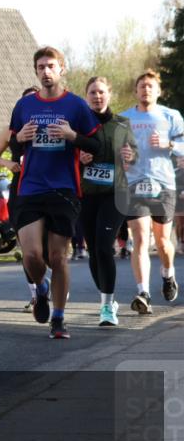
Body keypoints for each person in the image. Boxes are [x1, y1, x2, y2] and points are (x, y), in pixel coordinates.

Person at [8, 46, 100, 339]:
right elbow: (13, 146)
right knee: (33, 255)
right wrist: (20, 139)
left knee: (58, 257)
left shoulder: (75, 106)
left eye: (51, 66)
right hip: (30, 188)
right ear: (35, 71)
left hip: (64, 189)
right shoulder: (24, 106)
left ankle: (58, 319)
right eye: (41, 67)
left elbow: (97, 146)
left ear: (62, 69)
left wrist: (74, 137)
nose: (46, 72)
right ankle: (41, 288)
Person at [120, 69, 184, 314]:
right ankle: (143, 292)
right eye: (142, 86)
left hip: (163, 184)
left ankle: (168, 275)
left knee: (163, 241)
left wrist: (169, 144)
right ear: (135, 91)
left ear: (158, 91)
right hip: (135, 184)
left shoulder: (171, 116)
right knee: (140, 237)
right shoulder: (123, 118)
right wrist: (121, 154)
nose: (146, 89)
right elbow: (115, 148)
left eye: (150, 86)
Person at [77, 77, 136, 326]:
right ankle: (107, 297)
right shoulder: (79, 124)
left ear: (109, 94)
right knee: (93, 252)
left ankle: (106, 307)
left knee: (103, 247)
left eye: (101, 92)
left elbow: (135, 155)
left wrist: (130, 155)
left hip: (115, 194)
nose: (97, 96)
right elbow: (68, 154)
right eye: (93, 92)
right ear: (86, 96)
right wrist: (79, 157)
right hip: (87, 194)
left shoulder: (123, 123)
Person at [0, 86, 51, 314]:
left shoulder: (52, 126)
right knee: (27, 248)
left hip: (49, 189)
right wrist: (9, 164)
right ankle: (36, 294)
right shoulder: (11, 131)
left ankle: (51, 281)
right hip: (21, 190)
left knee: (47, 247)